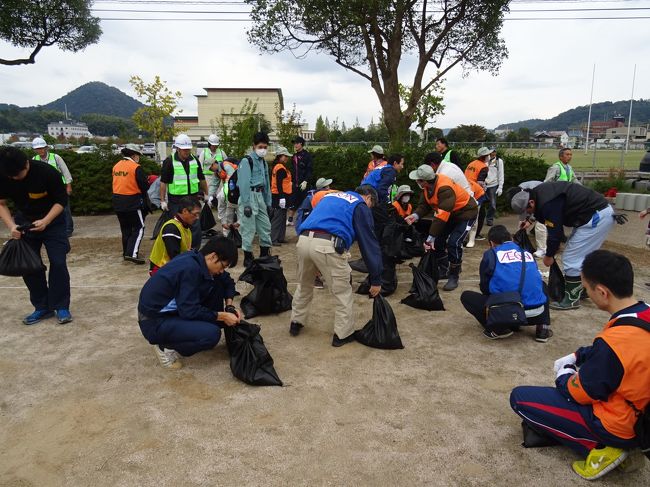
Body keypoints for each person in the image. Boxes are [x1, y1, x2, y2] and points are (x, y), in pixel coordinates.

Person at [510, 250, 650, 481]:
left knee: (520, 398)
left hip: (619, 424)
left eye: (586, 289)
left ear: (602, 292)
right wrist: (579, 355)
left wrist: (564, 374)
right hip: (642, 414)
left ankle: (603, 446)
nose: (586, 293)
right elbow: (619, 353)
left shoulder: (614, 343)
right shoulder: (640, 314)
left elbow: (582, 392)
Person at [290, 185, 383, 347]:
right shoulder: (359, 205)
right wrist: (376, 279)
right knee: (342, 291)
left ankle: (296, 322)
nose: (370, 208)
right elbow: (368, 244)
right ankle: (343, 334)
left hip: (304, 241)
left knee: (304, 285)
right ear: (368, 197)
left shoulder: (331, 196)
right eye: (371, 204)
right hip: (328, 245)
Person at [138, 236, 240, 369]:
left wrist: (229, 306)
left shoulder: (198, 259)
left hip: (176, 310)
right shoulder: (190, 269)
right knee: (211, 334)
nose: (222, 271)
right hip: (154, 320)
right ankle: (165, 346)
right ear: (213, 257)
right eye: (223, 266)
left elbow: (228, 282)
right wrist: (223, 315)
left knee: (218, 284)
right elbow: (189, 310)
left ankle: (191, 331)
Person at [511, 181, 615, 310]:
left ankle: (572, 299)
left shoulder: (548, 204)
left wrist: (549, 256)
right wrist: (529, 221)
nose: (527, 214)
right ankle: (583, 288)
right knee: (580, 256)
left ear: (531, 202)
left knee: (571, 257)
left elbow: (555, 235)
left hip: (596, 217)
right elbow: (544, 213)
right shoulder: (538, 193)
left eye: (527, 211)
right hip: (593, 214)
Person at [0, 146, 72, 325]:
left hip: (53, 222)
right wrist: (12, 226)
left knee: (58, 262)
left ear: (26, 163)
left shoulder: (47, 173)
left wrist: (46, 221)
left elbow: (61, 201)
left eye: (18, 174)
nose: (15, 178)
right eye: (11, 176)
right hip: (24, 222)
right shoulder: (4, 175)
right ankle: (42, 307)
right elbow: (1, 203)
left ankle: (61, 305)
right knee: (29, 266)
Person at [460, 225, 551, 341]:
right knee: (541, 284)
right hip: (536, 313)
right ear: (511, 239)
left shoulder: (491, 254)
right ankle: (543, 328)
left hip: (507, 313)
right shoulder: (527, 253)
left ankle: (499, 328)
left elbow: (485, 287)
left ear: (492, 243)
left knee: (467, 296)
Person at [404, 165, 478, 291]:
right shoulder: (427, 188)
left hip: (466, 213)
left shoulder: (445, 188)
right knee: (438, 242)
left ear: (425, 181)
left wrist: (430, 237)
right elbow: (425, 205)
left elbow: (441, 216)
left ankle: (454, 275)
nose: (416, 182)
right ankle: (444, 269)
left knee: (454, 242)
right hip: (451, 214)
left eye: (418, 180)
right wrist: (415, 216)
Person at [159, 134, 209, 249]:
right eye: (184, 149)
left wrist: (206, 194)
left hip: (192, 199)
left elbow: (201, 178)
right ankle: (179, 251)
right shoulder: (169, 161)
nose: (187, 152)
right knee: (177, 226)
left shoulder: (194, 160)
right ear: (178, 148)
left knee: (195, 225)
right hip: (176, 200)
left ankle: (194, 250)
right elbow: (163, 182)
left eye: (188, 149)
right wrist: (162, 200)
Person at [237, 132, 273, 268]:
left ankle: (264, 255)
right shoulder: (247, 161)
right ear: (254, 146)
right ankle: (247, 256)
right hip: (249, 196)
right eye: (260, 146)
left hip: (260, 196)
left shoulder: (263, 162)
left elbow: (266, 183)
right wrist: (246, 204)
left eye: (265, 147)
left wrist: (268, 203)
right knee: (248, 228)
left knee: (265, 226)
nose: (263, 149)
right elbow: (244, 184)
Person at [112, 144, 150, 264]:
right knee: (139, 227)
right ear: (134, 155)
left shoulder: (116, 166)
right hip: (132, 201)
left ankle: (126, 252)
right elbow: (144, 186)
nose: (139, 158)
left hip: (117, 201)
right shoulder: (135, 167)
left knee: (126, 229)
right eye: (138, 155)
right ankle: (132, 253)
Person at [32, 137, 74, 237]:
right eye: (37, 149)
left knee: (65, 209)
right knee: (48, 210)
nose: (40, 150)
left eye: (42, 148)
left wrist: (68, 186)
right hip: (44, 190)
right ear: (34, 150)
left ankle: (68, 229)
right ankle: (52, 228)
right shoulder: (34, 160)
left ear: (46, 148)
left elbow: (65, 172)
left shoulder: (56, 157)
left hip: (59, 188)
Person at [148, 196, 201, 275]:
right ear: (185, 211)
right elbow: (175, 256)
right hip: (161, 269)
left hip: (172, 266)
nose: (197, 217)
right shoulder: (171, 228)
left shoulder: (185, 228)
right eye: (195, 214)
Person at [464, 147, 491, 245]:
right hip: (476, 193)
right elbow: (480, 182)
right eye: (488, 155)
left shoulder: (471, 163)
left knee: (465, 214)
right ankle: (471, 239)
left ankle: (463, 236)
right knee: (475, 215)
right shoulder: (483, 167)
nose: (489, 156)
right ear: (485, 156)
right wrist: (485, 187)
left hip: (465, 190)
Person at [286, 136, 313, 226]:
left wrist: (306, 181)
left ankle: (306, 221)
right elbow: (292, 170)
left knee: (305, 203)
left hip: (304, 184)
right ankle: (290, 219)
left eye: (297, 143)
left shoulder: (307, 155)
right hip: (295, 183)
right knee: (293, 201)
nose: (295, 145)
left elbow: (309, 170)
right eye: (294, 143)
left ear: (301, 144)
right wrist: (290, 181)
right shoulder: (294, 156)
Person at [270, 146, 293, 246]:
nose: (287, 158)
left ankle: (280, 237)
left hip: (281, 195)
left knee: (282, 217)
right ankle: (273, 239)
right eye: (285, 156)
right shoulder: (280, 168)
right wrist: (281, 197)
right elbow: (279, 184)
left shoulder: (279, 166)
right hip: (280, 196)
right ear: (280, 156)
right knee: (278, 217)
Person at [198, 133, 228, 206]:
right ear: (209, 144)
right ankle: (207, 210)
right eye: (213, 145)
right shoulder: (204, 153)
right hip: (207, 179)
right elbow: (199, 166)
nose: (214, 147)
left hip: (219, 178)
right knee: (208, 198)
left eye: (216, 146)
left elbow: (227, 164)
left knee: (220, 197)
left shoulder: (221, 153)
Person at [219, 157, 240, 237]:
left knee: (242, 223)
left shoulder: (243, 192)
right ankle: (227, 237)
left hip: (239, 201)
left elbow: (244, 211)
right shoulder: (223, 194)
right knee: (228, 218)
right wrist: (223, 222)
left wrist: (239, 222)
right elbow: (221, 208)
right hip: (229, 200)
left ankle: (241, 238)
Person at [485, 149, 504, 226]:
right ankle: (477, 219)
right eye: (491, 152)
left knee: (493, 205)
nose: (493, 153)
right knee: (480, 204)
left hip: (493, 185)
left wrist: (500, 187)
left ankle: (489, 219)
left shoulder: (499, 161)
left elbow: (501, 174)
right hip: (483, 185)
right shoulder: (484, 160)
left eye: (494, 151)